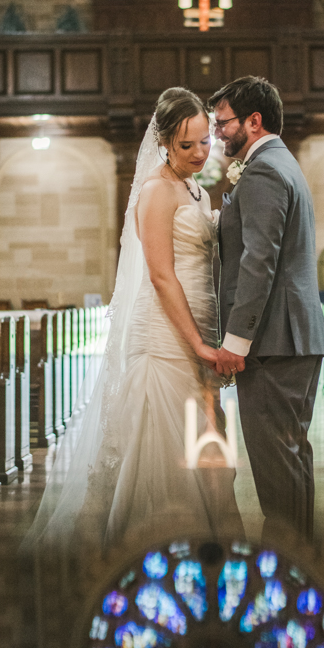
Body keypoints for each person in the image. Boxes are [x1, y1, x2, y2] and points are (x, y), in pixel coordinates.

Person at [26, 87, 242, 549]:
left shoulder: (197, 191)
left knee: (206, 439)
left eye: (206, 141)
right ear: (163, 142)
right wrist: (200, 345)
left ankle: (211, 542)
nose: (200, 153)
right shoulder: (156, 192)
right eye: (187, 146)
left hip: (201, 325)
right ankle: (156, 545)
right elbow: (162, 277)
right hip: (164, 333)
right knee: (162, 446)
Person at [209, 76, 324, 541]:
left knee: (276, 463)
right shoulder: (282, 164)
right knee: (291, 454)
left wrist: (235, 343)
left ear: (253, 121)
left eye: (223, 123)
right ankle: (300, 558)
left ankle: (285, 561)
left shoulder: (263, 171)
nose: (218, 133)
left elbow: (259, 260)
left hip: (274, 342)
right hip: (291, 338)